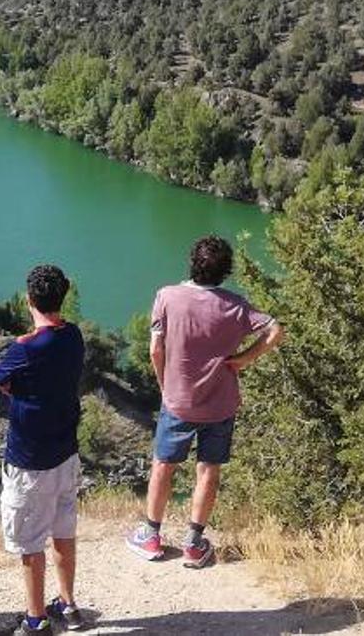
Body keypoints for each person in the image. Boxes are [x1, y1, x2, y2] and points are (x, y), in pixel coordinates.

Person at [126, 236, 284, 568]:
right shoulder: (236, 306)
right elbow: (275, 330)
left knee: (163, 465)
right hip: (220, 402)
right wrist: (244, 358)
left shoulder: (167, 297)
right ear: (226, 270)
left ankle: (152, 537)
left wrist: (165, 383)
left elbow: (156, 349)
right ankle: (194, 545)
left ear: (192, 263)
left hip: (178, 399)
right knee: (209, 469)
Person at [0, 265, 88, 632]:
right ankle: (70, 605)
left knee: (30, 542)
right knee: (63, 532)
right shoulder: (73, 336)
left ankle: (36, 619)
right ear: (63, 296)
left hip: (30, 461)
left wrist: (16, 385)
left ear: (28, 300)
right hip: (66, 454)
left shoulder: (25, 349)